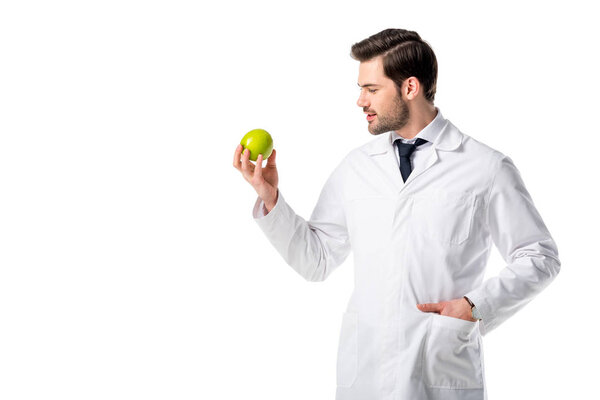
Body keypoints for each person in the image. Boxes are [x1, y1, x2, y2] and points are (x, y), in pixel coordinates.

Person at [232, 28, 560, 400]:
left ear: (409, 87)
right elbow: (317, 260)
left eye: (371, 89)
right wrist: (270, 196)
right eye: (360, 89)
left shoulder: (485, 167)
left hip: (440, 369)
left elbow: (540, 256)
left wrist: (475, 306)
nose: (360, 101)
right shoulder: (356, 167)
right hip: (367, 373)